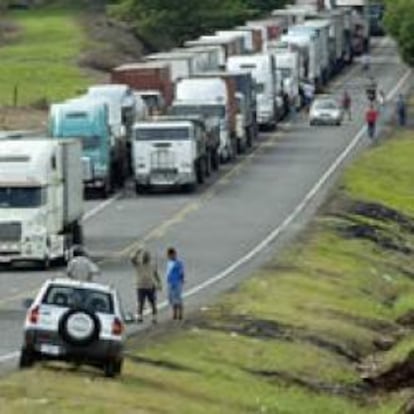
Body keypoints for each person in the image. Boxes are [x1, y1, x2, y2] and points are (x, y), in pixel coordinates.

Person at [131, 247, 161, 324]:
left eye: (147, 256)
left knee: (152, 302)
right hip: (140, 286)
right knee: (140, 302)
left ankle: (154, 317)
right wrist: (137, 251)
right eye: (144, 256)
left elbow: (156, 274)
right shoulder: (138, 264)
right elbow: (132, 259)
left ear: (149, 258)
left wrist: (159, 283)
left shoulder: (152, 265)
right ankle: (139, 317)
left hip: (150, 286)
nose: (146, 258)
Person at [165, 247, 185, 321]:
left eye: (171, 255)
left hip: (177, 283)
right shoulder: (169, 263)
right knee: (172, 299)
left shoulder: (178, 263)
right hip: (170, 283)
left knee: (178, 299)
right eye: (169, 255)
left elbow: (181, 272)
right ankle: (174, 314)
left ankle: (180, 314)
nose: (170, 257)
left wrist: (181, 280)